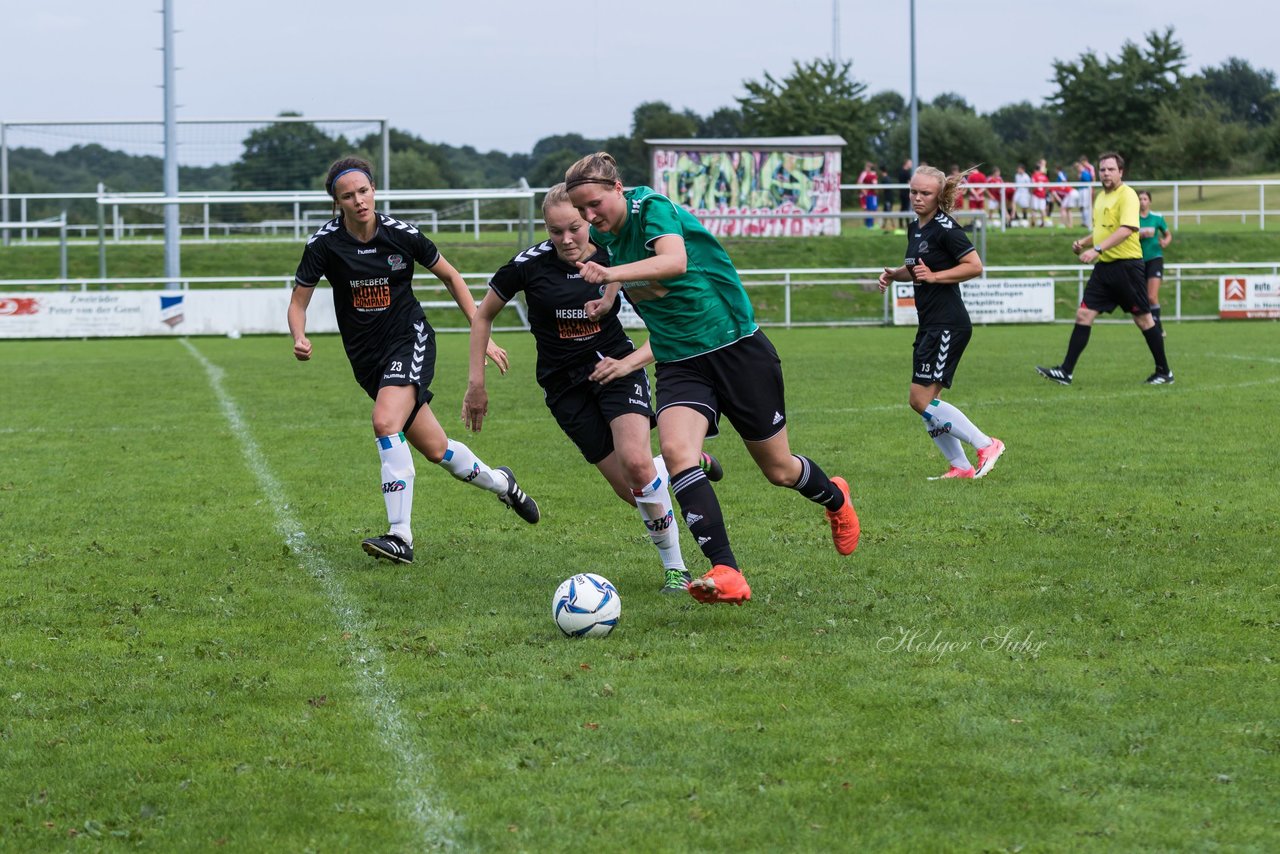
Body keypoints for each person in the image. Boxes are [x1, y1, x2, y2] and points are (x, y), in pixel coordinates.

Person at [564, 152, 861, 606]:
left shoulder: (652, 209)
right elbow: (618, 266)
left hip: (735, 348)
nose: (589, 217)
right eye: (581, 210)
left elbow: (673, 261)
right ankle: (727, 570)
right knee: (677, 451)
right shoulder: (608, 239)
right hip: (680, 361)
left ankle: (835, 497)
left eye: (594, 204)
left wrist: (611, 276)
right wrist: (607, 297)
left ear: (618, 189)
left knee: (779, 469)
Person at [462, 184, 723, 594]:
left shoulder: (618, 256)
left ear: (589, 219)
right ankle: (683, 465)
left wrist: (630, 362)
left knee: (637, 465)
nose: (566, 239)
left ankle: (676, 569)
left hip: (616, 368)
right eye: (554, 231)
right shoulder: (528, 265)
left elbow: (670, 325)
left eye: (574, 228)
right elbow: (483, 316)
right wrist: (476, 383)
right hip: (564, 387)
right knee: (630, 490)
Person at [289, 156, 541, 565]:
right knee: (438, 450)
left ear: (374, 190)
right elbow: (298, 301)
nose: (359, 201)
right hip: (367, 359)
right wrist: (299, 336)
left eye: (364, 191)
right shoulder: (324, 244)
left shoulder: (401, 235)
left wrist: (485, 333)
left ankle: (399, 536)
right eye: (348, 196)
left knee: (385, 422)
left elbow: (452, 276)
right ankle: (503, 484)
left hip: (410, 339)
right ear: (337, 203)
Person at [877, 167, 1006, 480]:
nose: (918, 198)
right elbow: (917, 267)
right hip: (930, 324)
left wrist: (934, 278)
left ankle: (987, 444)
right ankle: (960, 467)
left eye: (926, 193)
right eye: (914, 192)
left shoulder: (946, 228)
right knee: (927, 403)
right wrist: (896, 274)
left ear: (939, 196)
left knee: (920, 400)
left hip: (948, 323)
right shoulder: (915, 228)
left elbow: (974, 266)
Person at [1036, 152, 1173, 386]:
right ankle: (1066, 372)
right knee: (1084, 314)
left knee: (1144, 320)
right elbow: (1103, 231)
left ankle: (1164, 372)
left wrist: (1097, 249)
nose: (1106, 173)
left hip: (1127, 267)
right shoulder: (1100, 197)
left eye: (1111, 169)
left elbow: (1128, 228)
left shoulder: (1127, 195)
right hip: (1105, 269)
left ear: (1121, 172)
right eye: (1103, 169)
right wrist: (1084, 243)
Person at [1138, 189, 1172, 336]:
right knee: (1144, 298)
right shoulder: (1132, 219)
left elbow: (1168, 234)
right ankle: (1153, 326)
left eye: (1145, 199)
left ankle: (1157, 326)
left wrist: (1165, 242)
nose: (1142, 202)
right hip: (1138, 260)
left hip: (1155, 259)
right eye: (1139, 199)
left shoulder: (1157, 217)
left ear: (1150, 201)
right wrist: (1140, 234)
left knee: (1152, 296)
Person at [857, 161, 879, 229]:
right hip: (866, 195)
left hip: (873, 194)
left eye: (869, 166)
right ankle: (868, 225)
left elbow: (875, 184)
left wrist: (876, 190)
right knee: (867, 209)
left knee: (874, 209)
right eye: (867, 166)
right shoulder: (863, 174)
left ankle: (872, 224)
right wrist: (864, 191)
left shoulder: (874, 173)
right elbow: (859, 183)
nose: (868, 168)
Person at [1030, 159, 1050, 227]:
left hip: (1036, 194)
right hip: (1042, 195)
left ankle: (1033, 223)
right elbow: (1047, 186)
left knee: (1034, 209)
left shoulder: (1034, 176)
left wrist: (1031, 192)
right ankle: (1043, 223)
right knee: (1042, 210)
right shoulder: (1044, 176)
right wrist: (1045, 192)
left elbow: (1033, 185)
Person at [1077, 156, 1095, 228]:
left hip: (1087, 188)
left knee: (1087, 205)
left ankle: (1088, 222)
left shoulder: (1090, 168)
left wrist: (1092, 188)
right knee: (1082, 205)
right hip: (1082, 188)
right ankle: (1084, 222)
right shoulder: (1082, 169)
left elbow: (1093, 178)